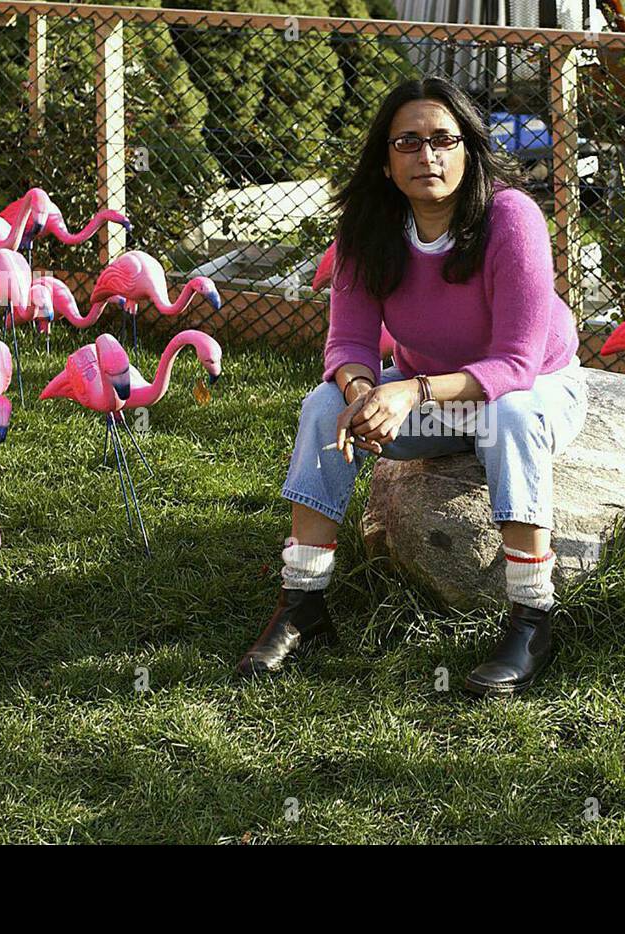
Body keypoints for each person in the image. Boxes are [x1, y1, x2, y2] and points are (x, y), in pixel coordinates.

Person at [236, 76, 587, 696]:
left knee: (510, 414)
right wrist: (362, 391)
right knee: (323, 406)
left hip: (532, 388)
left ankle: (533, 618)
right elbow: (346, 346)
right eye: (409, 142)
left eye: (443, 140)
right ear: (386, 160)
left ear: (469, 149)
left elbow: (515, 364)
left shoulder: (511, 218)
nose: (428, 155)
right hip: (430, 397)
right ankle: (303, 604)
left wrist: (411, 392)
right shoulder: (368, 229)